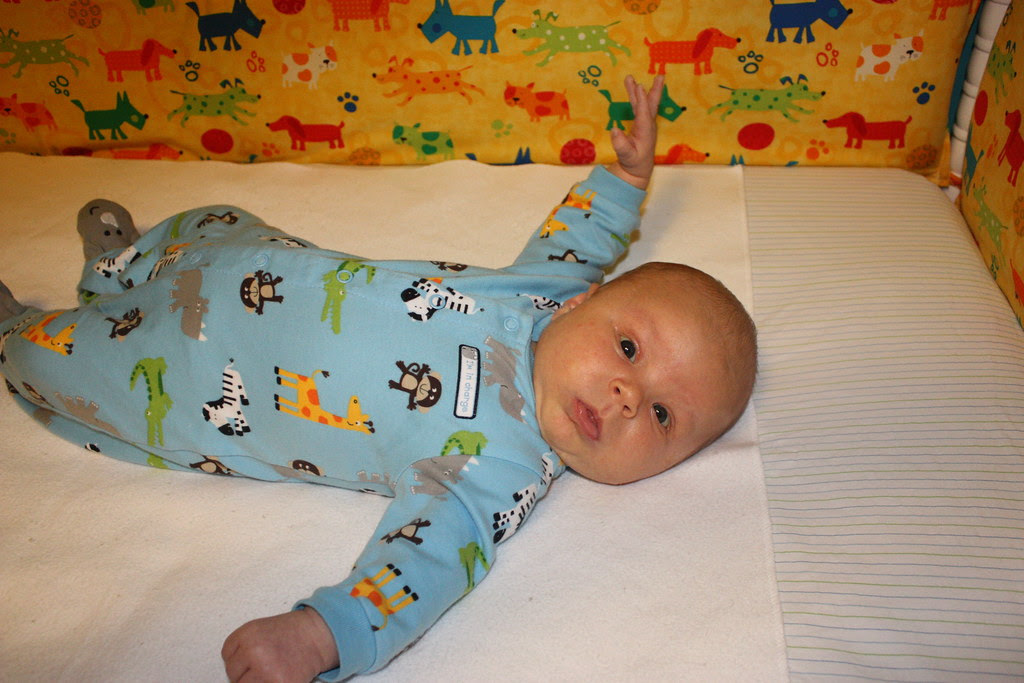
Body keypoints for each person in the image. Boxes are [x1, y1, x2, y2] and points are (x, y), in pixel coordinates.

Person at [0, 75, 756, 682]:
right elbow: (582, 237)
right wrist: (627, 177)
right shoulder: (544, 291)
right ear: (585, 302)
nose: (628, 397)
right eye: (628, 347)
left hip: (197, 376)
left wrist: (321, 634)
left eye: (663, 416)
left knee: (74, 362)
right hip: (254, 264)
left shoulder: (497, 467)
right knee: (209, 223)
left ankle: (14, 330)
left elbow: (424, 563)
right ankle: (117, 263)